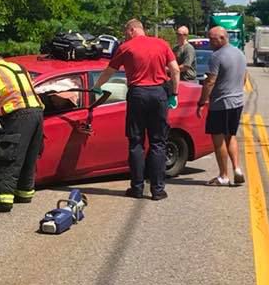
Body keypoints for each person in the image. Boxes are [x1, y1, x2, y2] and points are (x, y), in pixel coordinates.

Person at [94, 19, 180, 200]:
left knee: (136, 143)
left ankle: (137, 188)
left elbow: (109, 71)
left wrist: (97, 86)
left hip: (138, 94)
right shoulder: (162, 44)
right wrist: (174, 93)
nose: (125, 35)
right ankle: (158, 190)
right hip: (159, 94)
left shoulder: (126, 47)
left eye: (126, 31)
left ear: (132, 30)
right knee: (158, 142)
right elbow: (175, 70)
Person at [0, 52, 45, 212]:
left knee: (10, 155)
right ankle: (24, 193)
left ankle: (2, 201)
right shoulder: (19, 68)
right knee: (29, 155)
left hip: (18, 115)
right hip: (37, 113)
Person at [197, 26, 246, 186]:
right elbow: (244, 78)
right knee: (230, 136)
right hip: (237, 102)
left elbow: (210, 81)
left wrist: (202, 101)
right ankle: (237, 168)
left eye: (212, 38)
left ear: (223, 38)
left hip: (221, 103)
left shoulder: (217, 56)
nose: (209, 41)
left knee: (218, 140)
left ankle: (224, 176)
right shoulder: (239, 53)